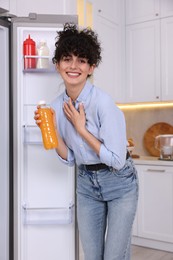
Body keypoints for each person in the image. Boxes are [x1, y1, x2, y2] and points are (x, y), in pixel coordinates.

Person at [34, 23, 138, 260]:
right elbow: (70, 158)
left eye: (82, 60)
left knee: (114, 257)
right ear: (58, 64)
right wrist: (48, 129)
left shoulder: (103, 103)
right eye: (67, 59)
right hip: (86, 184)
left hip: (119, 183)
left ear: (91, 68)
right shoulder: (56, 107)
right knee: (92, 257)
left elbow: (117, 160)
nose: (73, 66)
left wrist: (82, 130)